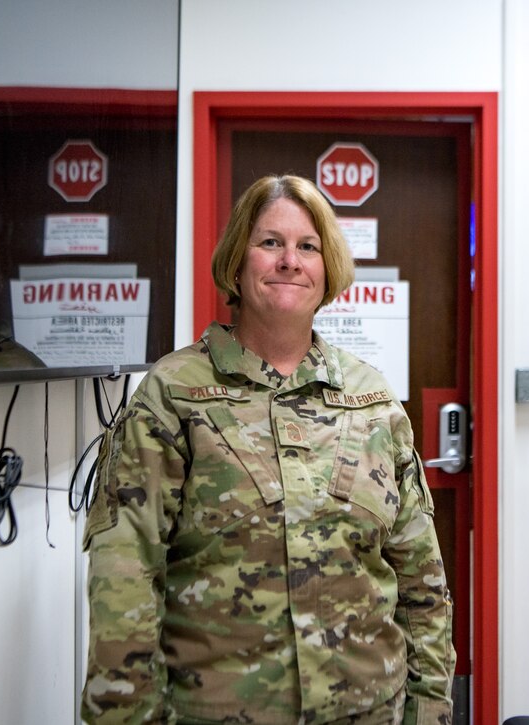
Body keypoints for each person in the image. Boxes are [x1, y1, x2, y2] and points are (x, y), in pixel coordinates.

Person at [81, 175, 455, 724]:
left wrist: (431, 713)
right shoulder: (173, 394)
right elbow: (125, 575)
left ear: (327, 269)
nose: (290, 261)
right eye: (270, 243)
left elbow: (423, 583)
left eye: (308, 246)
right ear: (237, 260)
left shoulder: (372, 400)